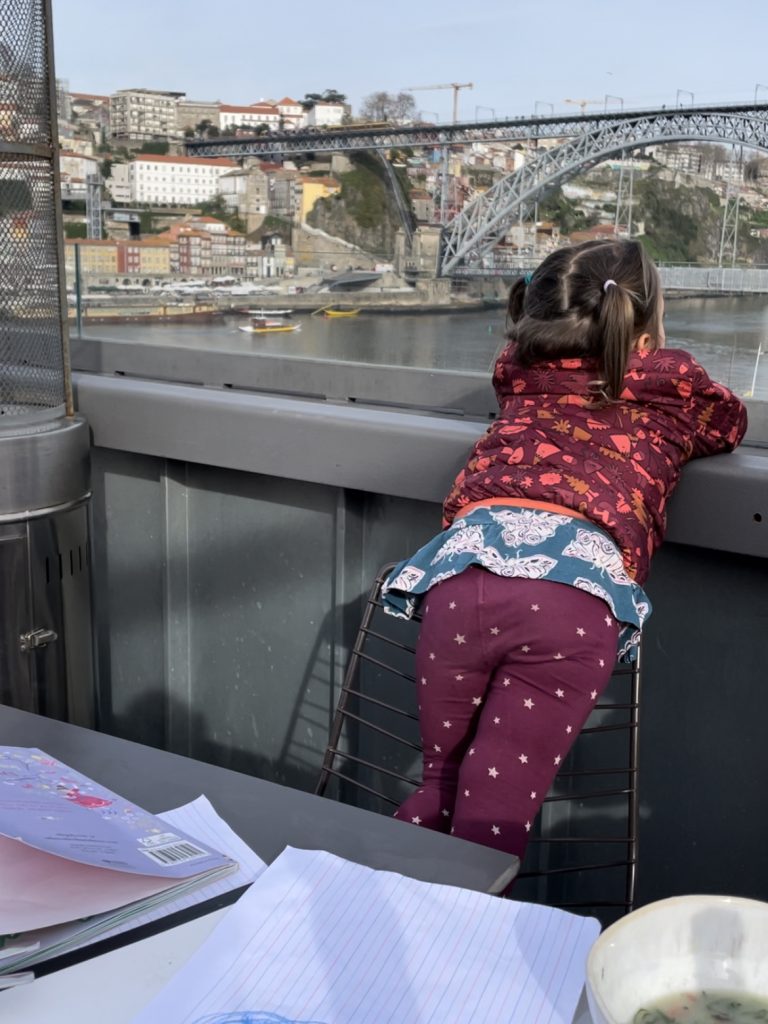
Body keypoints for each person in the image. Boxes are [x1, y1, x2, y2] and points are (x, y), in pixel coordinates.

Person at [382, 239, 747, 859]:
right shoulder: (669, 384)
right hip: (569, 599)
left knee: (440, 779)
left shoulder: (519, 372)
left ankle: (370, 915)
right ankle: (460, 945)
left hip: (462, 573)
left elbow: (531, 382)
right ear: (644, 333)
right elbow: (728, 424)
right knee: (492, 814)